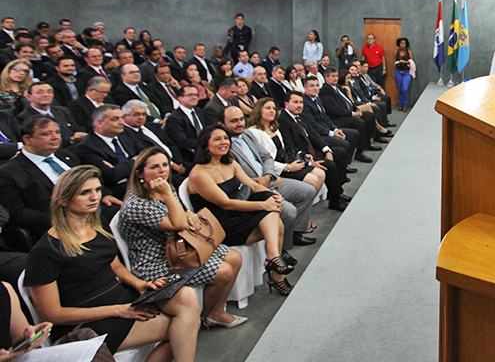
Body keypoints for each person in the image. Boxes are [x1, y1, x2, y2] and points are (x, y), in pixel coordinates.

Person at [25, 165, 200, 358]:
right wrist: (117, 311)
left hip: (121, 299)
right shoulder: (45, 251)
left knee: (187, 298)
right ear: (63, 200)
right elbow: (52, 314)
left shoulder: (97, 229)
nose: (95, 197)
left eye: (97, 190)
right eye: (85, 193)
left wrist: (139, 284)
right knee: (182, 326)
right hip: (90, 319)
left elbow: (114, 265)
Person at [118, 148, 246, 329]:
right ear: (139, 173)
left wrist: (188, 213)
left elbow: (180, 214)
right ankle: (210, 315)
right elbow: (178, 224)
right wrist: (171, 199)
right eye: (155, 167)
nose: (163, 170)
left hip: (181, 245)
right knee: (223, 271)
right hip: (156, 261)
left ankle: (215, 312)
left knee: (235, 257)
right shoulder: (137, 204)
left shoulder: (163, 187)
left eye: (165, 165)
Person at [187, 126, 294, 295]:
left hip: (238, 213)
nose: (224, 142)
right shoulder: (198, 174)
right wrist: (264, 205)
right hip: (219, 226)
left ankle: (273, 259)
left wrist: (273, 196)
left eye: (225, 138)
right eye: (217, 139)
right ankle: (275, 269)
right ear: (206, 145)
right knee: (273, 218)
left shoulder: (229, 162)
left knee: (273, 213)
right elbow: (226, 203)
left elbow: (252, 185)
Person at [221, 106, 317, 247]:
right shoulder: (224, 146)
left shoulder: (247, 134)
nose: (240, 123)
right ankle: (283, 248)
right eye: (234, 121)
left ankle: (295, 232)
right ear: (222, 124)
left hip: (269, 179)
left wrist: (268, 176)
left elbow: (266, 157)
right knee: (289, 211)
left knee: (308, 191)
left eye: (241, 119)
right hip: (253, 189)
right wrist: (262, 183)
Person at [393, 37, 413, 112]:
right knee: (400, 89)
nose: (402, 45)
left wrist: (406, 62)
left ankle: (405, 105)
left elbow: (412, 62)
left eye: (404, 43)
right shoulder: (396, 52)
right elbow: (394, 63)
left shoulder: (409, 52)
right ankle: (400, 104)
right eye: (401, 43)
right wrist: (393, 73)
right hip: (398, 72)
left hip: (406, 72)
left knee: (405, 89)